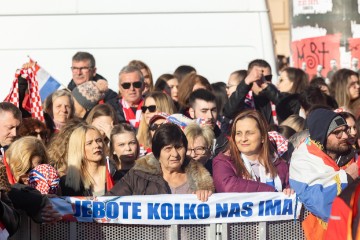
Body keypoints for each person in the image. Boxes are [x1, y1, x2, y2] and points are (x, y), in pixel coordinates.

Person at [289, 108, 359, 239]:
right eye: (337, 133)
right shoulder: (304, 160)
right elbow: (322, 205)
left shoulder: (353, 156)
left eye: (345, 130)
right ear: (322, 136)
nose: (345, 136)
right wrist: (347, 176)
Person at [107, 123, 214, 202]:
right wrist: (91, 202)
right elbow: (109, 201)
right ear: (158, 154)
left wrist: (206, 194)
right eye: (168, 149)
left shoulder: (201, 180)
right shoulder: (138, 175)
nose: (175, 154)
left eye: (179, 147)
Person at [213, 110, 290, 193]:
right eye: (238, 133)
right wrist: (272, 192)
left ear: (263, 137)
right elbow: (227, 187)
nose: (243, 139)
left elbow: (293, 190)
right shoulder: (224, 162)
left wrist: (289, 192)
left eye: (249, 133)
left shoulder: (280, 165)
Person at [59, 124, 112, 196]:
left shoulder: (115, 176)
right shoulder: (66, 184)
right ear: (78, 149)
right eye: (89, 143)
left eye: (99, 140)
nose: (96, 145)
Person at [223, 59, 278, 125]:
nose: (264, 81)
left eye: (268, 78)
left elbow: (288, 108)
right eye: (259, 78)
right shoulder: (244, 101)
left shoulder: (276, 97)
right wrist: (246, 82)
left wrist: (272, 91)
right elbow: (229, 112)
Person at [188, 89, 228, 156]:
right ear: (192, 112)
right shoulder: (183, 139)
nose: (210, 116)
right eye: (204, 111)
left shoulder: (225, 142)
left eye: (213, 110)